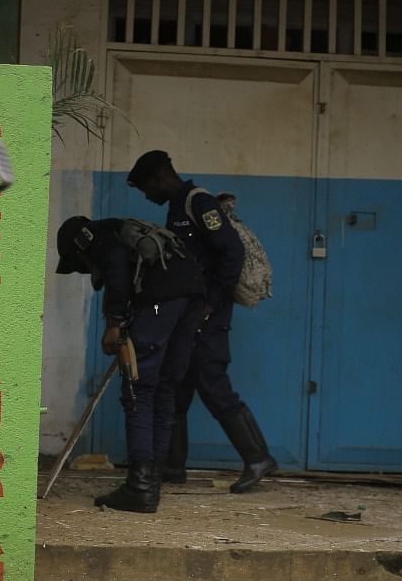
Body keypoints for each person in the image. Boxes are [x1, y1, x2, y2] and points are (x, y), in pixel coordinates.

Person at [127, 150, 277, 493]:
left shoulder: (199, 203)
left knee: (213, 383)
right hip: (189, 315)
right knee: (176, 386)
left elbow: (232, 252)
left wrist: (212, 302)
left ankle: (258, 457)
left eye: (147, 189)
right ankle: (171, 466)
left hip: (207, 315)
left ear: (160, 177)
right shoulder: (177, 208)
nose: (148, 197)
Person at [56, 216, 205, 512]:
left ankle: (140, 487)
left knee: (138, 389)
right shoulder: (121, 230)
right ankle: (152, 484)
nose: (85, 270)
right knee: (163, 390)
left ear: (79, 245)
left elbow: (117, 269)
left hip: (162, 301)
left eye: (80, 264)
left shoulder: (101, 239)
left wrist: (114, 324)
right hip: (191, 300)